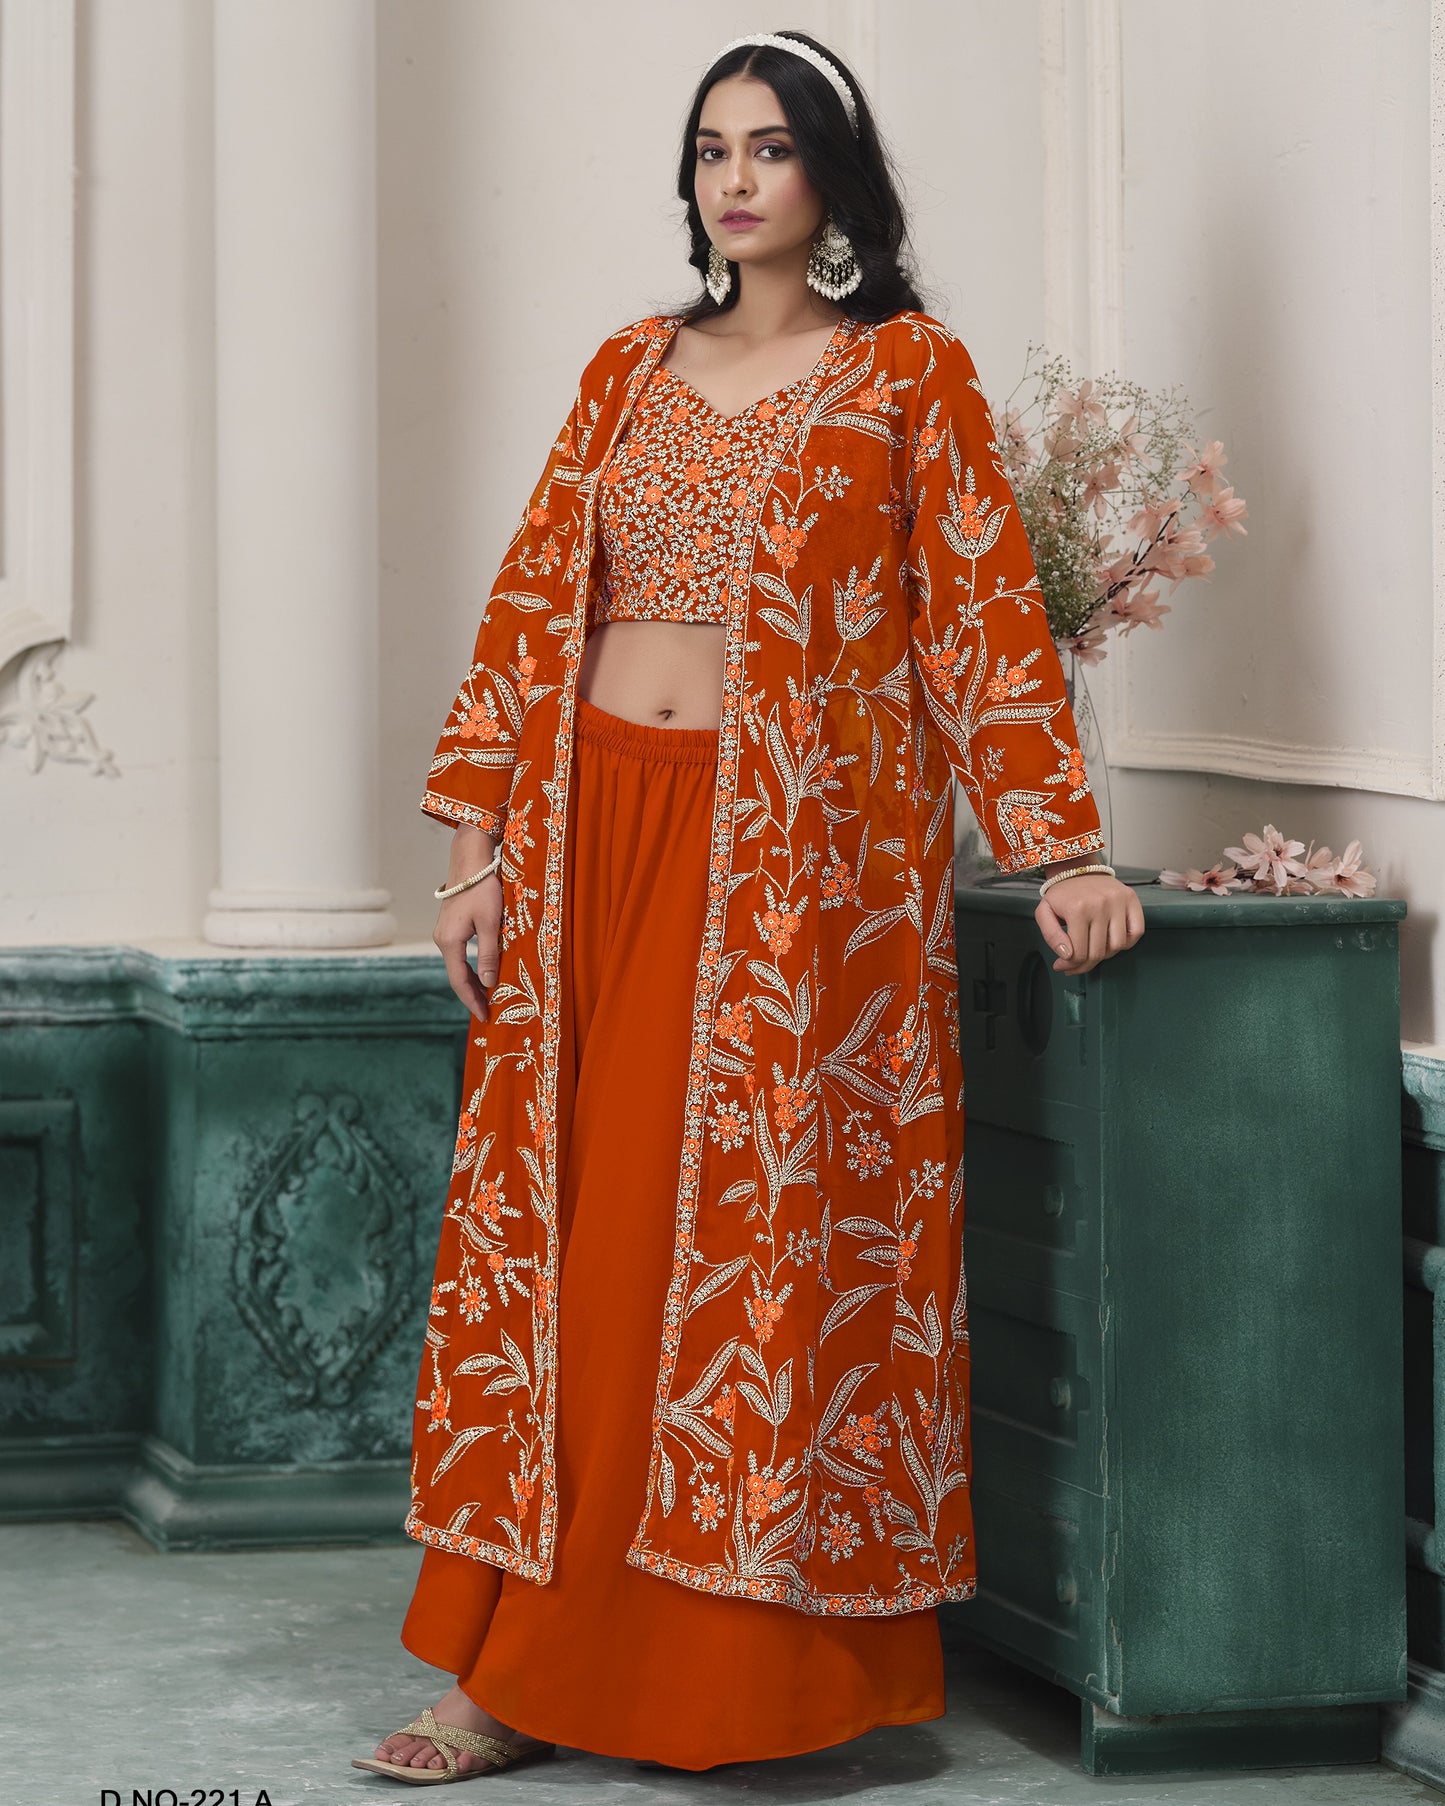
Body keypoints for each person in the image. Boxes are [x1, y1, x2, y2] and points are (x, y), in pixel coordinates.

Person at [353, 27, 1145, 1786]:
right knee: (563, 1248)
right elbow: (530, 593)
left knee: (731, 1265)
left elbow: (981, 623)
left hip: (792, 885)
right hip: (586, 851)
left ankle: (727, 1678)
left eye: (769, 146)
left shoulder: (904, 377)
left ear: (830, 179)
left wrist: (1062, 844)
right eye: (711, 146)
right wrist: (476, 845)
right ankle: (499, 1670)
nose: (733, 175)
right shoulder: (626, 371)